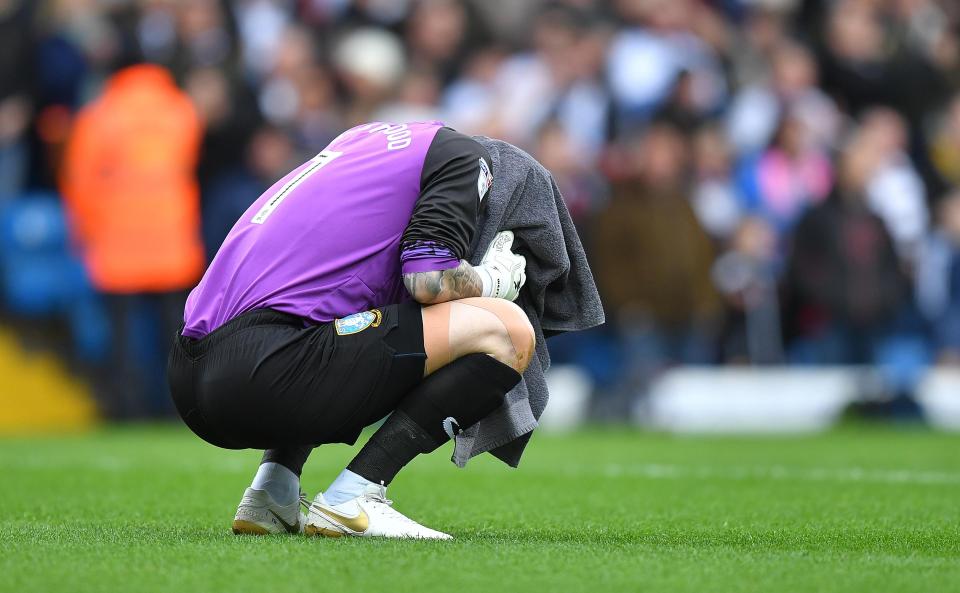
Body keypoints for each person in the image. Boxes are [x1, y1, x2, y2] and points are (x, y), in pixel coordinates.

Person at [167, 121, 533, 540]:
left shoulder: (359, 146)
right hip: (261, 373)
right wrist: (492, 281)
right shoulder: (464, 156)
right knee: (507, 331)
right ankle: (355, 496)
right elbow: (427, 282)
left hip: (188, 373)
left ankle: (272, 489)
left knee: (347, 319)